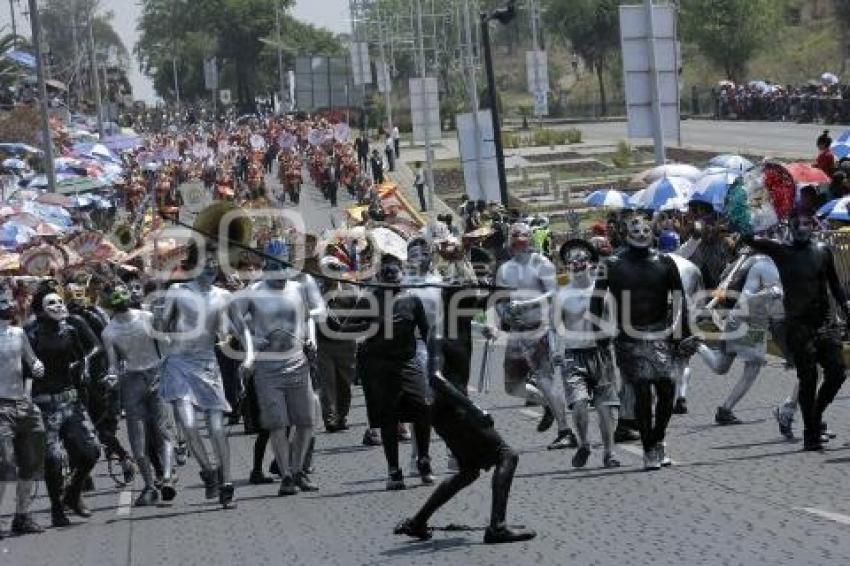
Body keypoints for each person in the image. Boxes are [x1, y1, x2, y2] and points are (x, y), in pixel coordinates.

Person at [591, 215, 695, 470]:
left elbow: (680, 300)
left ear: (653, 232)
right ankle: (649, 448)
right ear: (625, 234)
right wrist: (599, 333)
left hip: (661, 335)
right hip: (629, 337)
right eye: (634, 230)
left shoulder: (665, 262)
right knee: (642, 392)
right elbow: (596, 300)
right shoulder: (611, 263)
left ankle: (659, 438)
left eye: (645, 229)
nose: (640, 233)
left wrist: (684, 334)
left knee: (667, 390)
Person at [156, 242, 254, 508]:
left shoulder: (223, 296)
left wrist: (249, 356)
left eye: (215, 264)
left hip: (207, 365)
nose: (211, 268)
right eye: (205, 263)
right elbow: (162, 327)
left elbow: (242, 328)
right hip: (178, 363)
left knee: (216, 427)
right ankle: (208, 471)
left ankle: (227, 482)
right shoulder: (177, 291)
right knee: (187, 425)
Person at [745, 211, 849, 451]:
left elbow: (834, 284)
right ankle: (811, 433)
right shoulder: (781, 251)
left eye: (806, 222)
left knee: (837, 373)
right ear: (790, 226)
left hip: (825, 323)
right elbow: (749, 239)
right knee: (809, 379)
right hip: (798, 326)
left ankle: (814, 416)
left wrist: (846, 309)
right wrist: (748, 218)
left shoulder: (823, 250)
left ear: (813, 225)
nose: (802, 226)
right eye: (797, 223)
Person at [393, 372, 536, 544]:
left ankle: (417, 522)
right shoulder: (439, 343)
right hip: (455, 411)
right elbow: (437, 378)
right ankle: (497, 527)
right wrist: (474, 409)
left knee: (468, 471)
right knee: (507, 456)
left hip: (446, 413)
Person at [239, 241, 319, 496]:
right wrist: (251, 345)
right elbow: (235, 323)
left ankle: (297, 470)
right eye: (274, 267)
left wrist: (311, 338)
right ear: (265, 267)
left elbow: (313, 315)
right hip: (268, 367)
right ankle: (285, 474)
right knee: (277, 424)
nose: (280, 273)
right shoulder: (253, 292)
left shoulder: (299, 287)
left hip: (298, 363)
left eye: (284, 267)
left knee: (306, 421)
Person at [492, 222, 576, 450]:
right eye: (515, 236)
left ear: (531, 239)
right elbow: (500, 299)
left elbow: (554, 292)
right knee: (512, 386)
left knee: (545, 381)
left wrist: (528, 303)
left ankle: (565, 431)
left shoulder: (541, 263)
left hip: (540, 328)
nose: (519, 240)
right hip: (517, 332)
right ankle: (548, 405)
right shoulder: (504, 269)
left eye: (523, 236)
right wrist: (503, 315)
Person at [27, 286, 101, 526]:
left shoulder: (71, 328)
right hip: (44, 404)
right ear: (40, 310)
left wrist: (84, 365)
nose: (59, 306)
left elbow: (91, 350)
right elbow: (21, 367)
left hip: (71, 399)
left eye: (60, 302)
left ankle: (72, 492)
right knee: (53, 459)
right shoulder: (31, 333)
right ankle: (56, 509)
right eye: (52, 304)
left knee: (91, 452)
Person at [361, 253, 434, 490]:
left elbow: (426, 332)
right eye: (387, 273)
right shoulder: (370, 300)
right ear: (381, 276)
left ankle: (423, 458)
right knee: (388, 420)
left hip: (409, 363)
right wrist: (376, 326)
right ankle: (394, 470)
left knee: (423, 410)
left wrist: (435, 361)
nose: (392, 276)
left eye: (395, 272)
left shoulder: (412, 300)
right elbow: (350, 329)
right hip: (382, 368)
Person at [102, 285, 177, 506]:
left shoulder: (147, 317)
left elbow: (166, 346)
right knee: (138, 437)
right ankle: (149, 485)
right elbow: (113, 364)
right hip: (131, 380)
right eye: (114, 295)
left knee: (163, 429)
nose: (119, 298)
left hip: (155, 373)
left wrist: (165, 371)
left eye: (121, 293)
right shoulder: (109, 331)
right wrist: (111, 376)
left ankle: (166, 476)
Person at [697, 245, 783, 425]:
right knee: (753, 367)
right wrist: (769, 293)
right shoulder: (766, 265)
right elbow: (746, 298)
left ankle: (697, 345)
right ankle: (726, 410)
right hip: (750, 325)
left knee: (721, 366)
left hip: (735, 320)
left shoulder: (744, 262)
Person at [554, 240, 619, 469]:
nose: (577, 263)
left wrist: (611, 340)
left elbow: (613, 322)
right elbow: (556, 327)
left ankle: (609, 453)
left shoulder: (602, 292)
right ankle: (584, 444)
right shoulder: (562, 294)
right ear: (567, 266)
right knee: (579, 405)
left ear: (591, 263)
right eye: (572, 260)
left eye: (582, 259)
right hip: (573, 355)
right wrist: (557, 350)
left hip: (600, 354)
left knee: (605, 408)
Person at [0, 293, 46, 536]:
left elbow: (32, 360)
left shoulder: (18, 334)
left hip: (23, 403)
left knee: (30, 459)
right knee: (4, 462)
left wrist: (37, 366)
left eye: (7, 301)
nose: (6, 306)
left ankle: (22, 515)